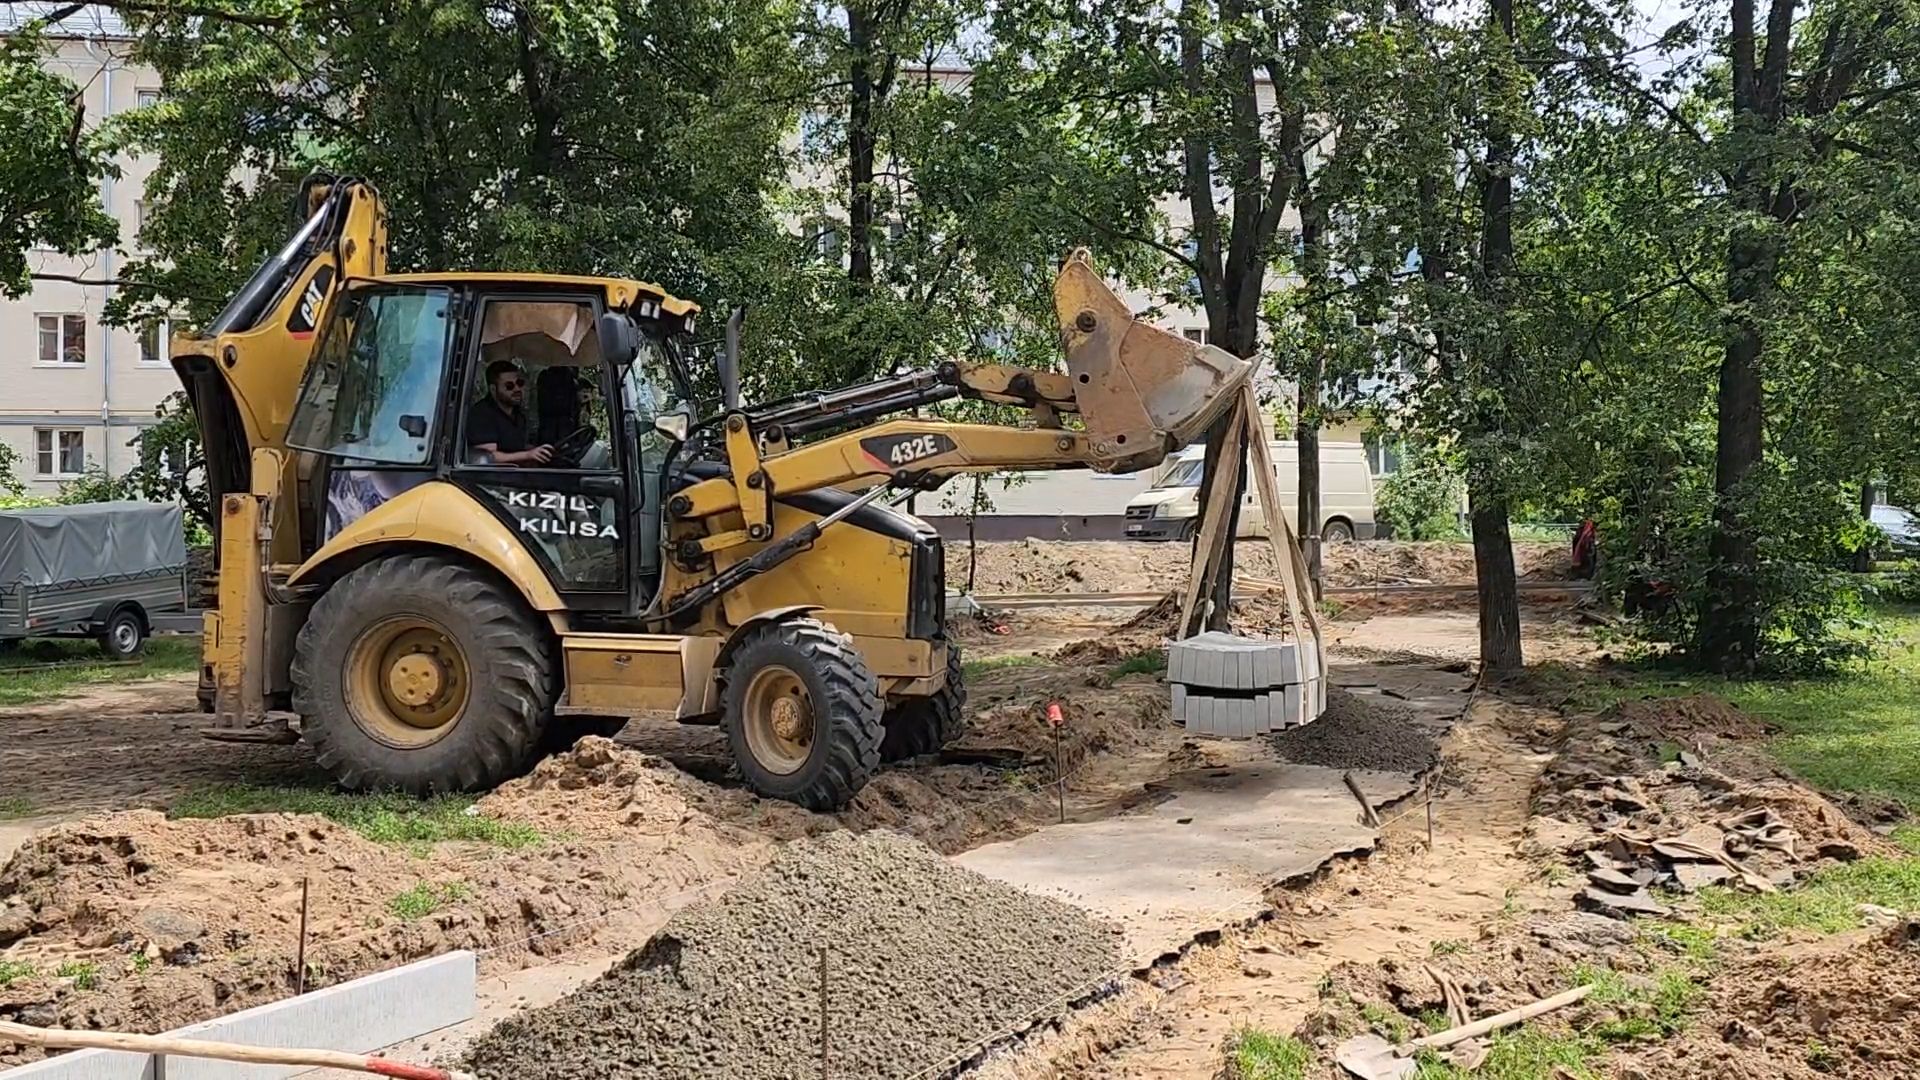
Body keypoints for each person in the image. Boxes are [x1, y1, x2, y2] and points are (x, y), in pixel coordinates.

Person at [467, 360, 553, 466]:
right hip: (495, 479)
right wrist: (528, 455)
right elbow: (487, 456)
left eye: (520, 383)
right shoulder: (481, 415)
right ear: (493, 389)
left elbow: (516, 446)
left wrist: (541, 451)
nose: (517, 389)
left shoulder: (518, 414)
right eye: (509, 386)